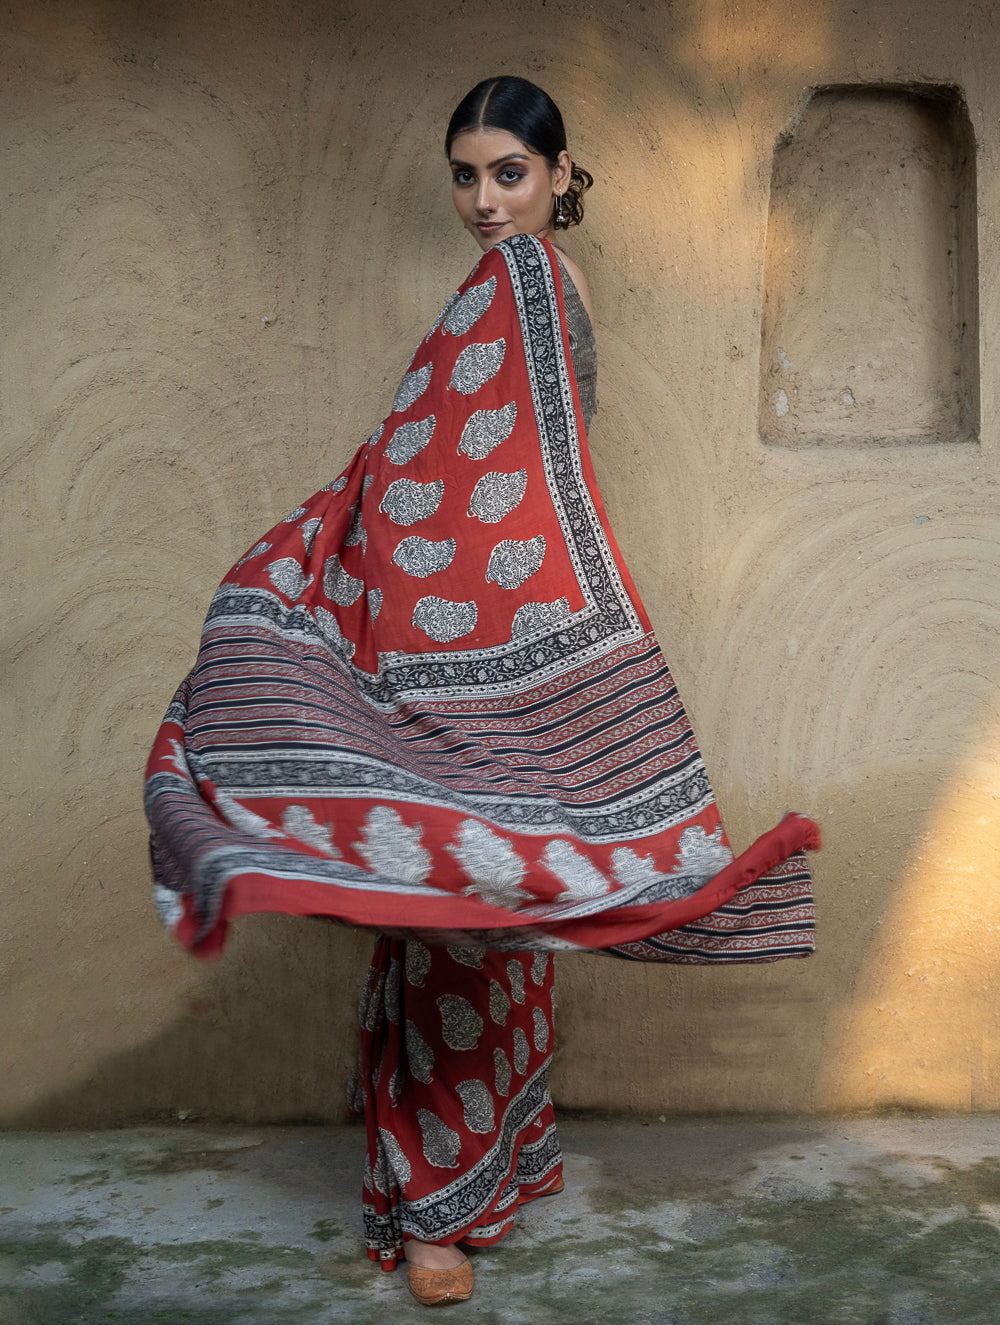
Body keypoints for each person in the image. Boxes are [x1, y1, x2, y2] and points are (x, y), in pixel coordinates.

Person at [145, 76, 818, 1308]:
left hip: (482, 640)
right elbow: (435, 462)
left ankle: (443, 1208)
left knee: (468, 916)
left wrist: (335, 557)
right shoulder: (544, 288)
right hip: (477, 636)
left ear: (562, 176)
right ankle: (478, 1178)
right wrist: (352, 533)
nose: (483, 200)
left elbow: (468, 474)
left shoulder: (520, 284)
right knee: (477, 906)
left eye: (508, 172)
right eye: (465, 175)